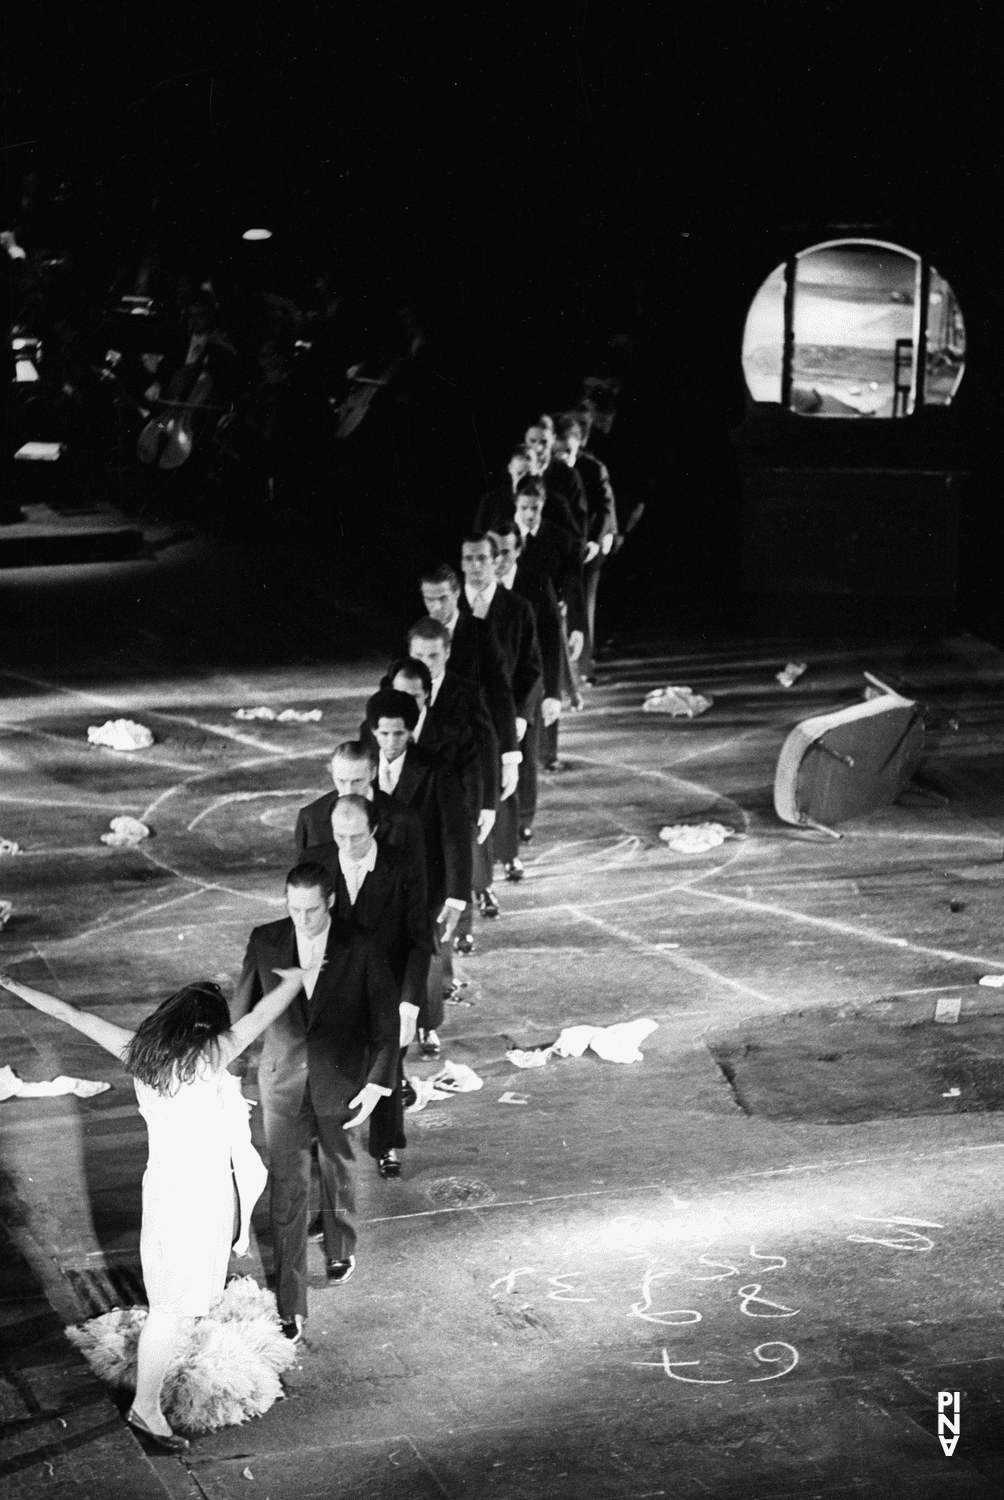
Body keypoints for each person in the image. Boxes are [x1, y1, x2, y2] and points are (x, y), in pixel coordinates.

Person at [0, 965, 312, 1450]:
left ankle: (164, 1352)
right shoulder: (211, 1055)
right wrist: (297, 978)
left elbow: (71, 1013)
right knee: (172, 1307)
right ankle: (146, 1410)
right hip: (201, 1194)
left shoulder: (138, 1051)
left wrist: (14, 984)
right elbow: (264, 1013)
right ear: (208, 1026)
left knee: (177, 1292)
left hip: (165, 1188)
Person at [231, 863, 400, 1334]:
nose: (301, 919)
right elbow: (240, 1015)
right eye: (293, 909)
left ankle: (341, 1247)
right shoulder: (264, 941)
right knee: (287, 1191)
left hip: (342, 1081)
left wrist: (375, 1084)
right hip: (282, 1084)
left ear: (330, 903)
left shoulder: (362, 944)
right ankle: (291, 1305)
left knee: (338, 1168)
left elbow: (385, 1024)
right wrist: (229, 1079)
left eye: (311, 910)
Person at [417, 563, 520, 921]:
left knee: (476, 822)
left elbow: (501, 691)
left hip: (477, 743)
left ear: (457, 593)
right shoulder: (419, 639)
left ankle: (483, 886)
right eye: (428, 600)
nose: (435, 607)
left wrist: (510, 753)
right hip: (432, 751)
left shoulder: (478, 631)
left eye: (441, 598)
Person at [459, 533, 543, 882]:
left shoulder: (518, 608)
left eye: (482, 558)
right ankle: (474, 869)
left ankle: (509, 855)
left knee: (505, 784)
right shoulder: (453, 606)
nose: (475, 566)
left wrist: (521, 715)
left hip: (503, 712)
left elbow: (531, 668)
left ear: (496, 562)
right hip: (462, 713)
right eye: (468, 559)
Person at [488, 521, 564, 843]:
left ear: (518, 551)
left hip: (525, 686)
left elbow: (550, 642)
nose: (499, 559)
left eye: (506, 551)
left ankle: (523, 819)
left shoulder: (537, 585)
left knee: (525, 753)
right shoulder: (480, 589)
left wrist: (553, 692)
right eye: (494, 552)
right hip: (491, 689)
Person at [553, 411, 619, 678]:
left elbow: (605, 508)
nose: (562, 458)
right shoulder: (546, 470)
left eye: (567, 451)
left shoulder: (592, 468)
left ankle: (582, 667)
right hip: (558, 545)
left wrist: (596, 540)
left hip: (588, 546)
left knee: (583, 601)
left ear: (579, 444)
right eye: (556, 452)